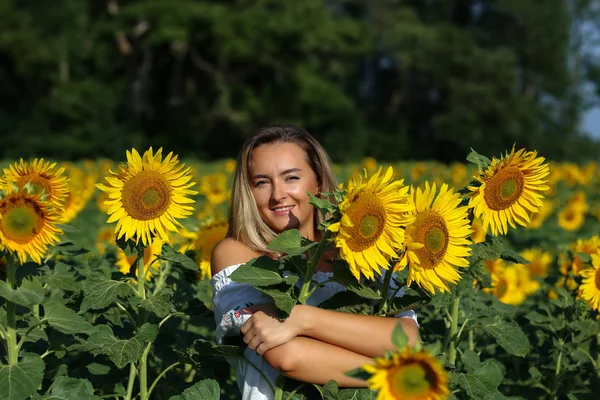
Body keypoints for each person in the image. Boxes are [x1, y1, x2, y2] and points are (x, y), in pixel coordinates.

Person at [210, 125, 420, 399]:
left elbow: (409, 341)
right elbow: (286, 355)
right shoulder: (240, 255)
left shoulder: (362, 252)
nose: (277, 195)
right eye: (262, 182)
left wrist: (301, 319)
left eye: (291, 177)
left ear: (318, 181)